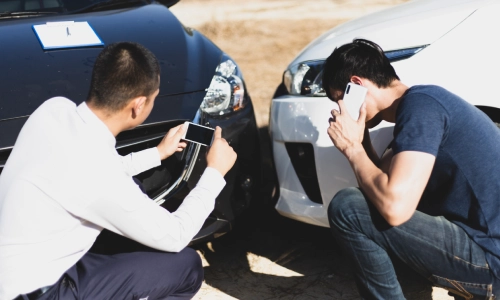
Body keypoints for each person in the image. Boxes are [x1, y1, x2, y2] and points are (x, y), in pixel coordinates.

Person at [0, 42, 237, 300]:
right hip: (33, 294)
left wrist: (157, 153)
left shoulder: (54, 110)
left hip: (17, 270)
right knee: (186, 266)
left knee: (132, 204)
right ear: (138, 105)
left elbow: (91, 171)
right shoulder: (100, 175)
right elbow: (176, 235)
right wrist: (214, 172)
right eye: (154, 98)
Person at [322, 38, 500, 299]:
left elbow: (394, 209)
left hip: (490, 256)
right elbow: (378, 192)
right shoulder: (421, 107)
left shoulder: (422, 107)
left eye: (340, 99)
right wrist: (360, 142)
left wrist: (352, 149)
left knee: (347, 207)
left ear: (356, 86)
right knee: (361, 206)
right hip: (486, 249)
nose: (340, 110)